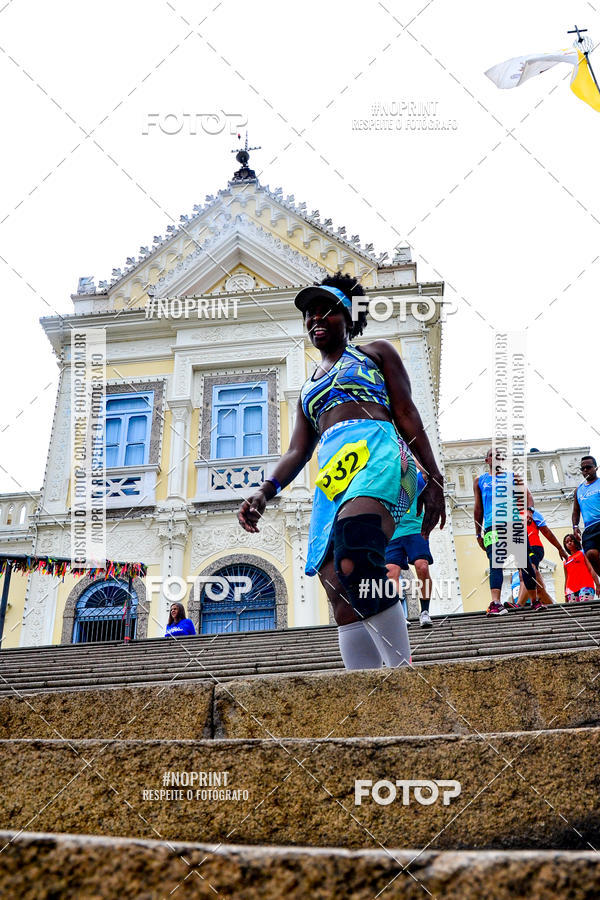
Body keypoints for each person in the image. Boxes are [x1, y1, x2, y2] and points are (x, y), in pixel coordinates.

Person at [238, 271, 445, 670]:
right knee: (338, 588)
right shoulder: (307, 389)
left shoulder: (375, 353)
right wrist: (264, 491)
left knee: (356, 549)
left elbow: (406, 413)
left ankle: (404, 676)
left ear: (350, 316)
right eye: (309, 313)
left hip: (381, 456)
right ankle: (366, 691)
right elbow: (298, 450)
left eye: (327, 310)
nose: (316, 318)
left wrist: (434, 478)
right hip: (333, 481)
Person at [474, 449, 533, 616]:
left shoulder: (513, 476)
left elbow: (528, 496)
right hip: (491, 527)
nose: (497, 457)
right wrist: (478, 532)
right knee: (495, 562)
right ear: (487, 460)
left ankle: (535, 600)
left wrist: (529, 511)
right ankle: (496, 603)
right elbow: (478, 508)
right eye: (493, 455)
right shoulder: (480, 480)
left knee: (524, 562)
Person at [386, 468, 435, 628]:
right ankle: (400, 614)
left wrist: (412, 458)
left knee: (422, 567)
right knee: (391, 572)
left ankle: (425, 611)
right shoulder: (385, 476)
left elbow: (427, 473)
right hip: (393, 531)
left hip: (415, 529)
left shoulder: (414, 476)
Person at [516, 507, 567, 611]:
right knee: (538, 588)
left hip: (534, 547)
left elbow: (546, 531)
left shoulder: (533, 514)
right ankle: (553, 607)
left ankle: (519, 604)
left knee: (525, 572)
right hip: (521, 550)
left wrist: (560, 548)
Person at [572, 455, 600, 576]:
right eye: (582, 468)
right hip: (589, 528)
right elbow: (576, 511)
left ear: (596, 468)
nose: (585, 470)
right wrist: (575, 526)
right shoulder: (578, 490)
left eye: (588, 467)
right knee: (590, 554)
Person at [563, 533, 600, 603]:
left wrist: (598, 585)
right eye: (567, 542)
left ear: (575, 541)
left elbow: (591, 569)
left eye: (571, 541)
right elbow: (566, 578)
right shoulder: (566, 561)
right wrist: (565, 594)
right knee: (574, 609)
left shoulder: (582, 553)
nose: (569, 543)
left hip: (586, 586)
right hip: (571, 591)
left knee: (585, 606)